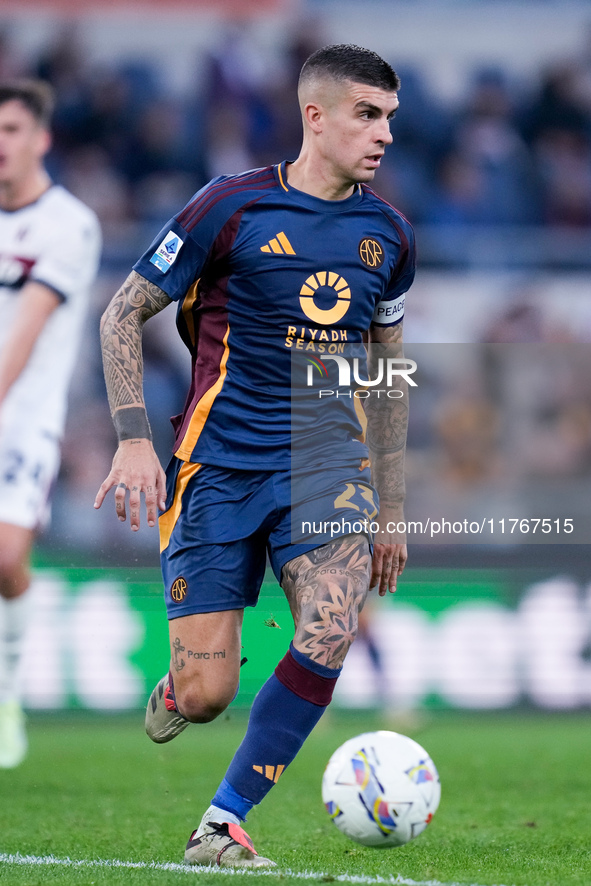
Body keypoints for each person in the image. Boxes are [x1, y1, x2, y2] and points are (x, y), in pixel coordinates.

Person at [95, 44, 415, 867]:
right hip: (219, 466)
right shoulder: (228, 207)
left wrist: (391, 504)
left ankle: (222, 822)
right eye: (366, 114)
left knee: (332, 622)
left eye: (389, 117)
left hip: (323, 464)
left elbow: (386, 375)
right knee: (206, 698)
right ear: (315, 116)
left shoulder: (389, 235)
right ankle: (179, 688)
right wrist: (134, 438)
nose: (383, 135)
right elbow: (120, 315)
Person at [0, 80, 101, 767]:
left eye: (11, 130)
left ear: (41, 139)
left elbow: (27, 330)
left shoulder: (69, 223)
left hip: (24, 418)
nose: (0, 145)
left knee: (5, 559)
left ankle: (6, 695)